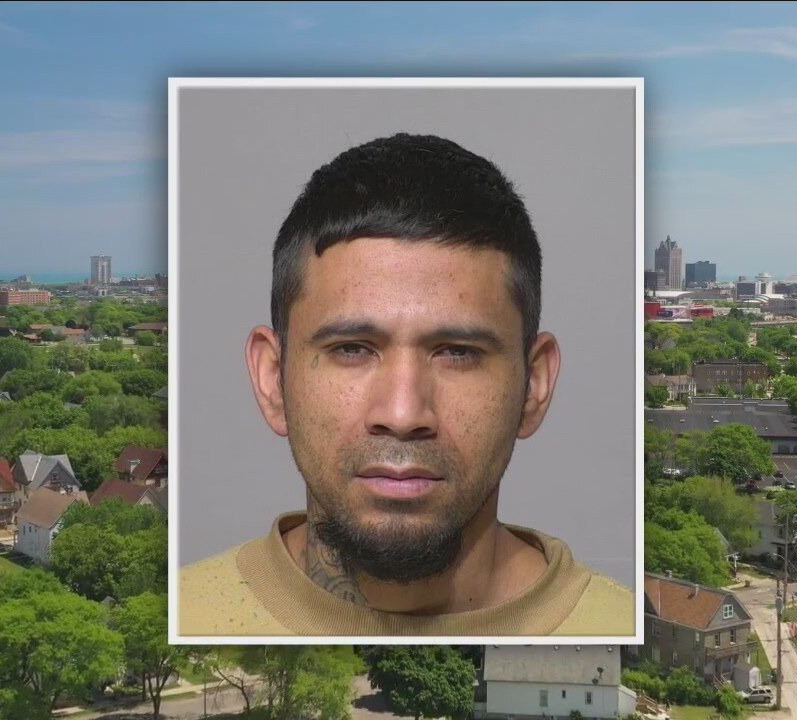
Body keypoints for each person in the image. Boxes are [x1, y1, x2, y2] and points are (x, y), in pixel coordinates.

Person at [179, 133, 634, 636]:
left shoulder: (620, 631)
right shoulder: (180, 617)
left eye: (458, 352)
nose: (402, 414)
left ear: (534, 385)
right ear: (272, 379)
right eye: (351, 349)